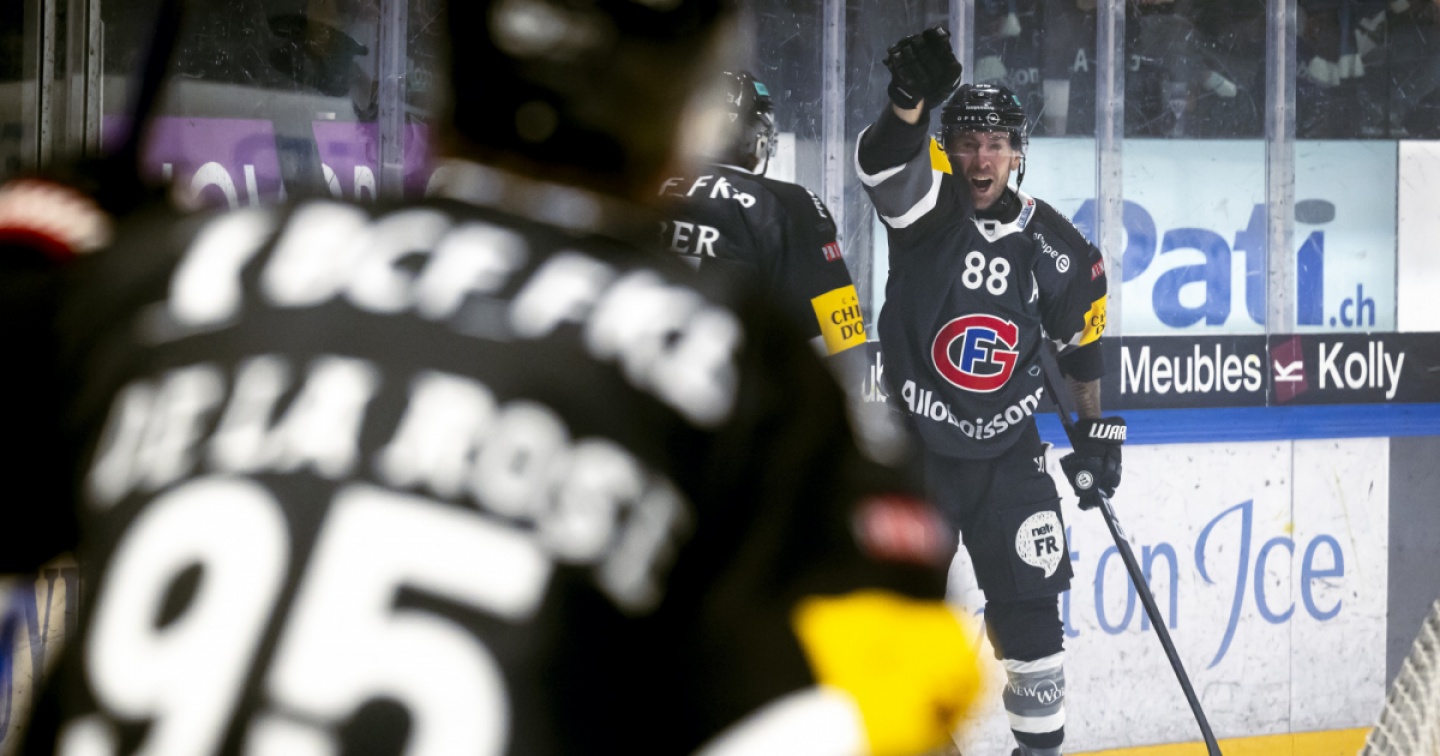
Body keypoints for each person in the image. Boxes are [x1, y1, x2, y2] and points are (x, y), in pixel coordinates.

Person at [0, 3, 987, 755]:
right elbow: (880, 693)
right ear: (686, 102)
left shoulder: (193, 267)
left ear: (443, 77)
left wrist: (51, 227)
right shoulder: (737, 355)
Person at [856, 28, 1123, 756]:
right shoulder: (926, 214)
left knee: (1034, 622)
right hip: (917, 453)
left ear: (1017, 152)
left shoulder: (1058, 247)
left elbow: (1081, 346)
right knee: (901, 621)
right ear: (947, 149)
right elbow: (882, 164)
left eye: (996, 144)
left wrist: (1093, 434)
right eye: (968, 143)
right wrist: (907, 102)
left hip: (1010, 458)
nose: (981, 159)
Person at [657, 70, 867, 374]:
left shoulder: (642, 195)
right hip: (733, 386)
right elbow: (840, 338)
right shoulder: (787, 204)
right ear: (754, 133)